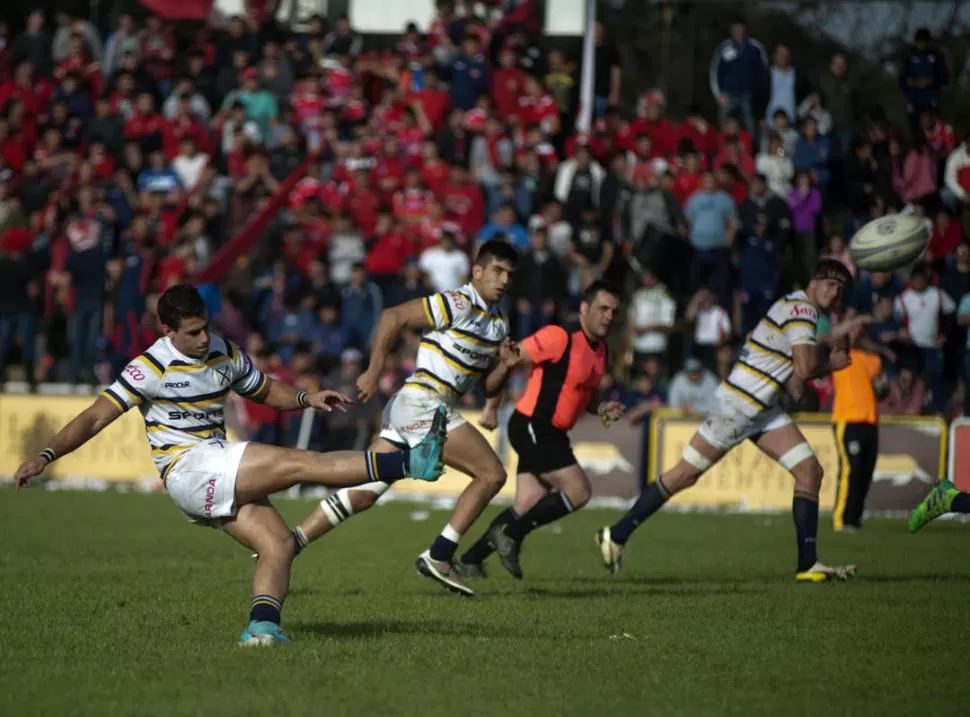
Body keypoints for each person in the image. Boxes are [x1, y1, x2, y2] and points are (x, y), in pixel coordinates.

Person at [14, 285, 446, 646]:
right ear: (168, 331)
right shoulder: (149, 367)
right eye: (193, 332)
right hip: (189, 468)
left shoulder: (223, 351)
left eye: (206, 327)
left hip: (214, 468)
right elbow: (93, 416)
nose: (203, 338)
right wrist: (46, 456)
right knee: (299, 463)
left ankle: (262, 629)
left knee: (278, 543)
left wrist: (304, 398)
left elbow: (261, 389)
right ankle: (409, 462)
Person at [596, 260, 870, 582]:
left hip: (762, 409)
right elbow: (808, 368)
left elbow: (783, 363)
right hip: (739, 408)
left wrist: (795, 380)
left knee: (809, 470)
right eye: (830, 284)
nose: (834, 293)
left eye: (840, 290)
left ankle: (807, 564)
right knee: (684, 475)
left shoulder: (792, 306)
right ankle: (616, 534)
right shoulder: (802, 311)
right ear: (814, 281)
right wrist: (831, 363)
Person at [288, 240, 520, 597]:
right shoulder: (458, 302)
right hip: (423, 403)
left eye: (509, 274)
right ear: (477, 271)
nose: (503, 280)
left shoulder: (498, 323)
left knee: (363, 494)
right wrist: (373, 368)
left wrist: (503, 367)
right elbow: (392, 316)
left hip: (417, 407)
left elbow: (487, 381)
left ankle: (289, 544)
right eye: (497, 271)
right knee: (492, 475)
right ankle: (439, 556)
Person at [455, 282, 625, 578]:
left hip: (551, 432)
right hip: (533, 425)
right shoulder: (559, 337)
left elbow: (583, 391)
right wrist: (491, 406)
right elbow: (508, 359)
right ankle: (511, 535)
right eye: (603, 309)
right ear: (584, 309)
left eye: (614, 311)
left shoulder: (602, 352)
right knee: (578, 491)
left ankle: (471, 559)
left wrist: (600, 408)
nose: (609, 316)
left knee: (525, 505)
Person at [831, 325, 886, 532]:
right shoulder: (841, 356)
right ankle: (841, 519)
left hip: (870, 421)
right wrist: (859, 321)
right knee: (850, 470)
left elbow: (881, 388)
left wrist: (883, 387)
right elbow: (836, 335)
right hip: (847, 420)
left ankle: (854, 519)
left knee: (865, 472)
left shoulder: (871, 360)